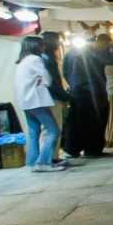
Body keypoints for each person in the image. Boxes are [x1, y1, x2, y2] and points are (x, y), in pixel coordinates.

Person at [62, 32, 113, 158]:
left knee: (76, 122)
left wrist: (74, 84)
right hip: (94, 92)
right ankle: (92, 149)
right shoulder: (97, 54)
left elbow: (65, 72)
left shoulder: (70, 54)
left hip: (77, 91)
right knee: (96, 121)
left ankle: (73, 149)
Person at [15, 35, 67, 173]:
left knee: (33, 132)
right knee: (53, 131)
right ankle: (43, 162)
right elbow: (48, 79)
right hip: (36, 101)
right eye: (42, 45)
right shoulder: (36, 59)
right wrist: (43, 81)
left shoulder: (22, 61)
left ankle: (32, 162)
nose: (44, 47)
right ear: (36, 46)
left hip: (25, 102)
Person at [40, 31, 70, 165]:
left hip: (50, 97)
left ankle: (52, 156)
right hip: (52, 98)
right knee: (52, 129)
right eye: (58, 41)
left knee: (50, 129)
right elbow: (52, 81)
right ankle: (49, 158)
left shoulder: (45, 57)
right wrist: (64, 96)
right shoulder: (47, 59)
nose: (59, 43)